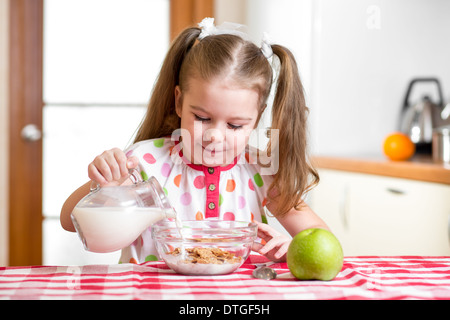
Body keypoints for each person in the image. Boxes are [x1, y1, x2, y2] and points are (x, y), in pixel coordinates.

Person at [60, 18, 329, 264]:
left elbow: (324, 241)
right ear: (179, 101)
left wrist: (293, 246)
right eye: (202, 117)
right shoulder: (144, 163)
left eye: (235, 125)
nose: (215, 136)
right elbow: (69, 220)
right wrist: (104, 185)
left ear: (257, 119)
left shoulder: (262, 169)